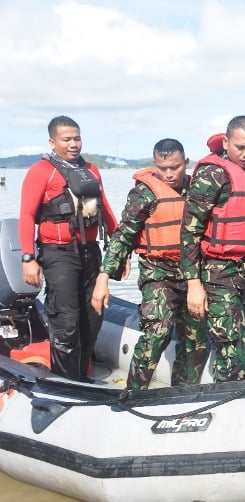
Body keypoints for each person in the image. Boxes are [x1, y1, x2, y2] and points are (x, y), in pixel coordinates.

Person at [91, 139, 209, 390]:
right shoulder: (144, 193)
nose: (168, 174)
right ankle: (134, 393)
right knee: (158, 332)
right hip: (158, 273)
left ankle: (182, 392)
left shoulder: (199, 190)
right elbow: (123, 235)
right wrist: (104, 278)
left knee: (197, 341)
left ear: (186, 163)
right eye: (162, 168)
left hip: (193, 276)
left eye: (175, 168)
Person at [181, 116, 245, 383]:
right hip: (217, 275)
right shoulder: (212, 174)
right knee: (231, 350)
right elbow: (189, 231)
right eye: (240, 147)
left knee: (241, 339)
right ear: (226, 142)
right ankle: (230, 402)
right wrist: (193, 284)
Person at [19, 115, 118, 381]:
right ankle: (65, 383)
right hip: (58, 255)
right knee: (67, 321)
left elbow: (105, 210)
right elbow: (27, 215)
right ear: (53, 141)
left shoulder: (92, 170)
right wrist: (28, 258)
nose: (74, 144)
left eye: (77, 138)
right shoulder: (41, 171)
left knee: (93, 317)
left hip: (90, 253)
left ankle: (82, 377)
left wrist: (120, 249)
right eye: (67, 139)